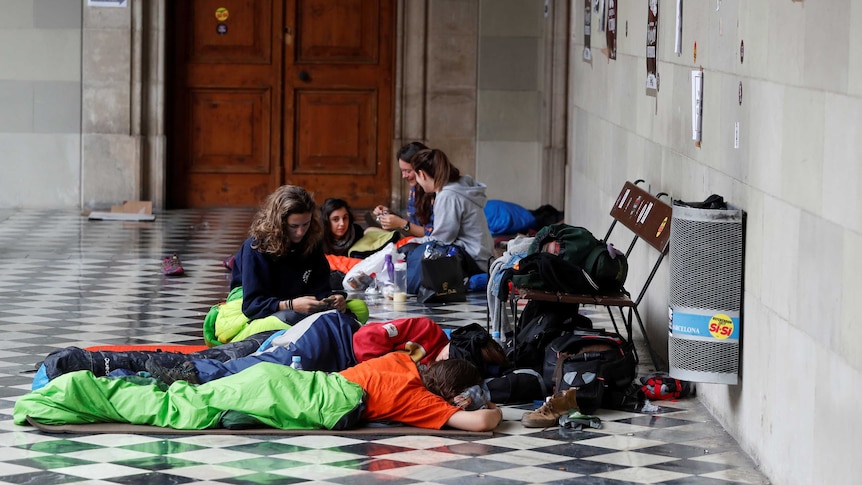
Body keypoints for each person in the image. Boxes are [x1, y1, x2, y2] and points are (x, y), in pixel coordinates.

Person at [15, 352, 503, 432]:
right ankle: (77, 388)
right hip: (297, 398)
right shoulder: (417, 402)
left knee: (185, 398)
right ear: (450, 394)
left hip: (283, 378)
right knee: (179, 409)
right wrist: (488, 408)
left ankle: (98, 381)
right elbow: (482, 423)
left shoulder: (402, 364)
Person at [145, 312, 509, 385]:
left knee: (271, 382)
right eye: (450, 358)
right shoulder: (427, 332)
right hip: (332, 339)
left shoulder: (447, 376)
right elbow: (364, 340)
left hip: (339, 367)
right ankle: (190, 372)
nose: (441, 363)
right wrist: (391, 366)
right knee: (269, 367)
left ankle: (196, 373)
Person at [231, 185, 347, 321]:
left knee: (357, 308)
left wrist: (333, 301)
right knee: (290, 318)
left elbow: (320, 288)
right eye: (293, 226)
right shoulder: (256, 248)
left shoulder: (311, 242)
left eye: (306, 224)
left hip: (294, 299)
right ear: (279, 223)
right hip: (255, 307)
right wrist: (290, 305)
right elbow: (252, 306)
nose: (300, 232)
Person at [403, 148, 494, 293]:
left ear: (421, 174)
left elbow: (442, 239)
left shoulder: (448, 195)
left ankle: (407, 288)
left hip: (473, 259)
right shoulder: (460, 187)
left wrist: (414, 241)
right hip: (482, 256)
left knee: (412, 250)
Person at [369, 141, 434, 237]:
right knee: (369, 232)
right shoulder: (415, 189)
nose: (404, 176)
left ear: (422, 168)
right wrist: (391, 215)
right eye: (402, 171)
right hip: (416, 240)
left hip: (431, 246)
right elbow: (414, 224)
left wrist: (401, 223)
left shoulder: (437, 193)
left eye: (408, 171)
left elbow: (433, 234)